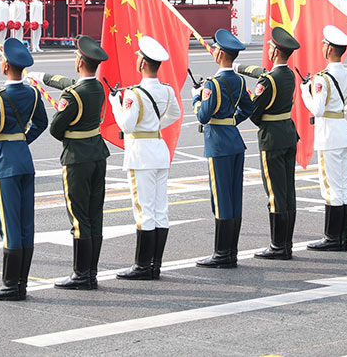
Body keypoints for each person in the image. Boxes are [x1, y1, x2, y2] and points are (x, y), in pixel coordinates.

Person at [28, 35, 109, 290]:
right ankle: (91, 273)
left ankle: (80, 275)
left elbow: (55, 129)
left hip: (77, 159)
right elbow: (68, 83)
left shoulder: (72, 95)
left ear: (80, 62)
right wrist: (41, 76)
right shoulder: (97, 88)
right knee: (94, 216)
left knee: (78, 217)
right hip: (97, 154)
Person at [0, 38, 48, 301]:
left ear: (5, 66)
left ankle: (9, 285)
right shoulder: (32, 93)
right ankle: (22, 284)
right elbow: (42, 123)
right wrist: (23, 139)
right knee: (26, 223)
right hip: (25, 160)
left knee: (9, 224)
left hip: (5, 162)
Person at [108, 35, 181, 281]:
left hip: (141, 154)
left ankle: (142, 266)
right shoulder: (167, 90)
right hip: (159, 150)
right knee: (160, 211)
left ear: (142, 64)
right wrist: (154, 124)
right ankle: (155, 265)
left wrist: (115, 104)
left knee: (144, 211)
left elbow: (127, 125)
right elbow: (175, 114)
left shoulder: (133, 94)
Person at [236, 26, 301, 261]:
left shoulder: (269, 81)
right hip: (288, 134)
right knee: (288, 191)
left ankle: (277, 246)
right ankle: (287, 243)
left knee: (274, 193)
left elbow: (254, 112)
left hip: (272, 138)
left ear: (275, 51)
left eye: (270, 46)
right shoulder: (289, 75)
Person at [193, 29, 255, 268]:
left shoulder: (213, 83)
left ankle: (221, 254)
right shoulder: (239, 80)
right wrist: (231, 122)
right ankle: (231, 252)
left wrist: (197, 98)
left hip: (218, 144)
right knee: (234, 197)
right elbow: (247, 109)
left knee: (220, 199)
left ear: (219, 54)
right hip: (235, 141)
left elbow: (203, 116)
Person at [302, 25, 347, 251]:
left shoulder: (321, 79)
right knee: (344, 187)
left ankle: (331, 238)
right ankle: (342, 238)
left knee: (330, 188)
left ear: (329, 49)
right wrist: (340, 111)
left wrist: (304, 93)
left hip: (329, 135)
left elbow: (317, 110)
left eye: (323, 44)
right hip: (343, 131)